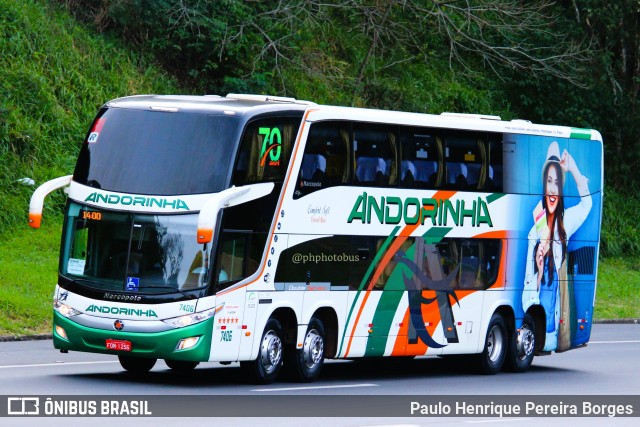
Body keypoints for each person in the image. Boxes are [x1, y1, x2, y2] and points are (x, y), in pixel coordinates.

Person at [523, 141, 592, 352]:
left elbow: (587, 204)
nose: (552, 188)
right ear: (544, 185)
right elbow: (527, 282)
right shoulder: (537, 223)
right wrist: (538, 267)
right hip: (534, 310)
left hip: (555, 321)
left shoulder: (566, 220)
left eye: (557, 182)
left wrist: (573, 170)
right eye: (549, 181)